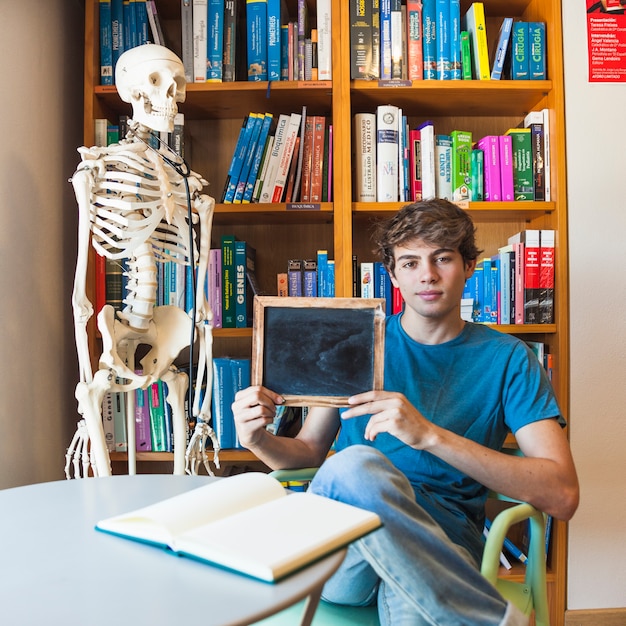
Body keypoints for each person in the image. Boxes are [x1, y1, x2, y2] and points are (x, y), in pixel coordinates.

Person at [232, 199, 579, 625]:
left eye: (443, 259)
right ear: (393, 275)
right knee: (355, 464)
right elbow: (308, 453)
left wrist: (429, 435)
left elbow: (562, 496)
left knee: (413, 598)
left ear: (469, 265)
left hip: (441, 546)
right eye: (410, 263)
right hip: (346, 546)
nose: (428, 275)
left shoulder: (510, 359)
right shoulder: (357, 342)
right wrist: (257, 439)